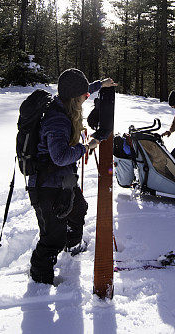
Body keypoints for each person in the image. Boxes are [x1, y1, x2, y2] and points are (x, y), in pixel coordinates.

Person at [28, 68, 116, 285]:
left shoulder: (63, 103)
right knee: (51, 239)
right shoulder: (57, 120)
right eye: (84, 97)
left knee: (78, 208)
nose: (86, 99)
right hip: (47, 187)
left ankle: (73, 243)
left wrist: (99, 84)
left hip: (62, 181)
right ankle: (40, 280)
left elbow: (80, 90)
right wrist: (86, 147)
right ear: (74, 98)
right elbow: (60, 156)